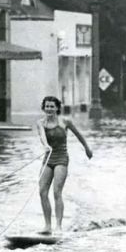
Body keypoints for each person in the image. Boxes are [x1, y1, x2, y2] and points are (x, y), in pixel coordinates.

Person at [37, 96, 93, 234]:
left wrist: (87, 148)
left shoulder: (65, 121)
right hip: (48, 158)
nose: (49, 109)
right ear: (44, 108)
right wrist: (45, 146)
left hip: (61, 158)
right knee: (42, 191)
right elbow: (42, 137)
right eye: (47, 106)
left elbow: (79, 135)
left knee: (56, 192)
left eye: (52, 106)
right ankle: (47, 226)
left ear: (57, 108)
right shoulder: (40, 123)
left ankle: (58, 226)